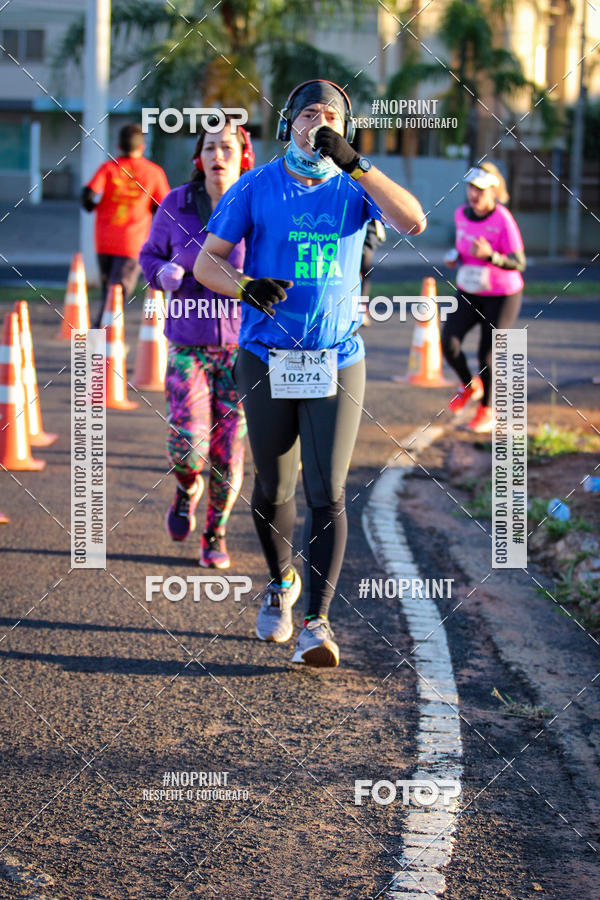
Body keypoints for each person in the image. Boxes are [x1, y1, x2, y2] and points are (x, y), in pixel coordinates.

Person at [193, 79, 426, 666]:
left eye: (332, 117)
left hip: (337, 357)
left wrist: (357, 162)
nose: (318, 123)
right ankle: (281, 586)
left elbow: (414, 221)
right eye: (308, 114)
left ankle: (318, 625)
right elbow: (205, 263)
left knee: (328, 491)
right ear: (286, 124)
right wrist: (247, 285)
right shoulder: (255, 187)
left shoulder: (355, 186)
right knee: (275, 488)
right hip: (266, 354)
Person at [139, 118, 252, 567]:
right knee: (188, 445)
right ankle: (187, 488)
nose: (217, 155)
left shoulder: (255, 208)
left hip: (242, 351)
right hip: (187, 343)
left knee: (228, 451)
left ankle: (214, 535)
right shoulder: (176, 203)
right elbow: (150, 254)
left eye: (227, 147)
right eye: (209, 148)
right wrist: (159, 273)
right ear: (198, 158)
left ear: (243, 156)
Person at [442, 163, 526, 433]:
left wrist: (491, 256)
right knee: (449, 343)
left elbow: (519, 262)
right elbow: (463, 249)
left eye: (480, 190)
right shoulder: (460, 215)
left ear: (493, 192)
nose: (474, 194)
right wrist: (456, 257)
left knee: (486, 355)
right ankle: (469, 385)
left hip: (502, 295)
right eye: (471, 188)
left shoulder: (502, 218)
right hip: (469, 290)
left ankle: (486, 411)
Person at [82, 123, 170, 328]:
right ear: (143, 147)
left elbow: (87, 196)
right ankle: (101, 342)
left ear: (118, 145)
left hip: (104, 241)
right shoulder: (153, 172)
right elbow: (164, 207)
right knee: (117, 296)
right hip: (132, 243)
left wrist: (93, 206)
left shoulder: (108, 167)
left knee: (109, 292)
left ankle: (101, 341)